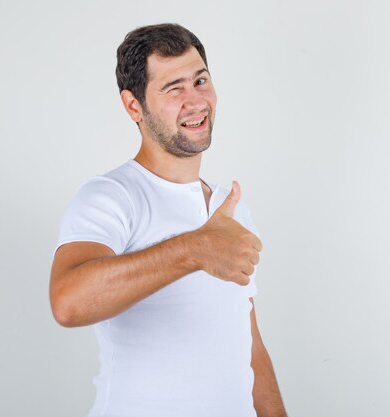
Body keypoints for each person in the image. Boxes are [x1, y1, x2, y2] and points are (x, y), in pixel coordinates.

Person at [50, 23, 287, 417]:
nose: (194, 101)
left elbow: (250, 348)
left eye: (200, 80)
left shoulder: (230, 209)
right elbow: (68, 303)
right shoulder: (111, 196)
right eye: (173, 87)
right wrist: (194, 248)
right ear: (133, 106)